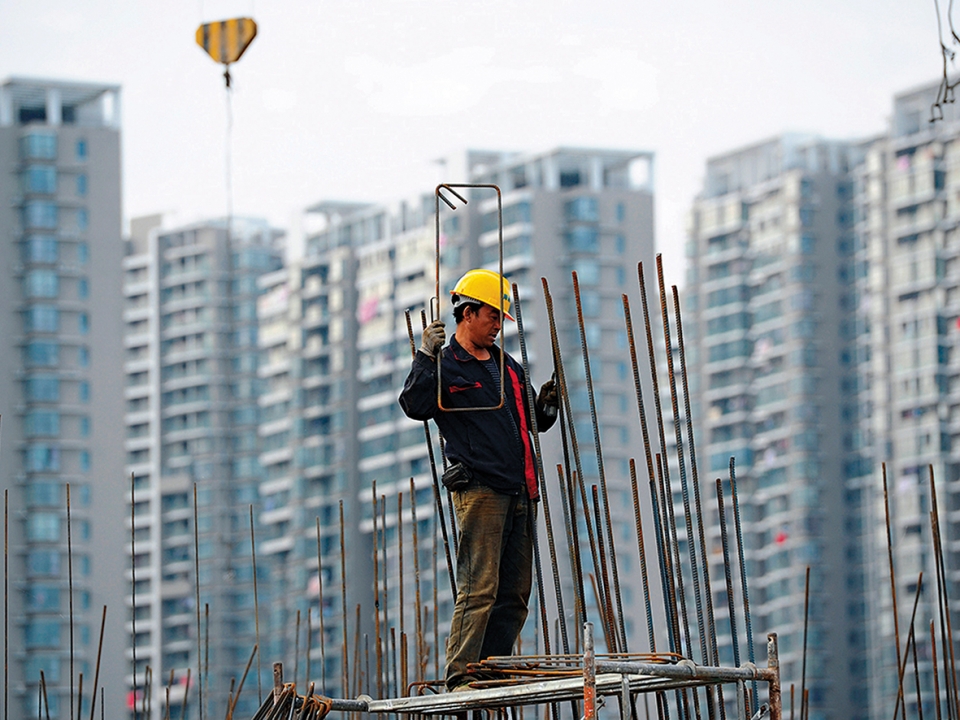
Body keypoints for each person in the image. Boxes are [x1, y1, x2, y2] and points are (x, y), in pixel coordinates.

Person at [399, 268, 559, 692]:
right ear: (467, 314)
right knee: (479, 586)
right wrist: (424, 358)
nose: (496, 325)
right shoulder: (447, 366)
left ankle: (491, 670)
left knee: (514, 594)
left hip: (521, 489)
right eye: (491, 316)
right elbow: (414, 405)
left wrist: (545, 408)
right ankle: (461, 673)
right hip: (481, 490)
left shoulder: (507, 367)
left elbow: (528, 422)